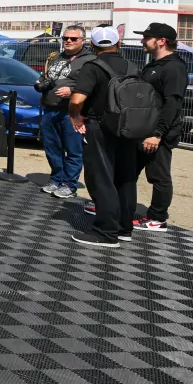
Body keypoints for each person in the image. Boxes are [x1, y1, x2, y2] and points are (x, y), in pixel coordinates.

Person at [67, 26, 138, 247]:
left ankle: (106, 232)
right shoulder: (132, 66)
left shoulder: (92, 67)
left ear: (92, 45)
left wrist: (75, 116)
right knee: (125, 178)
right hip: (129, 127)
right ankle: (124, 228)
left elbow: (77, 99)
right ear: (119, 44)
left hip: (101, 126)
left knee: (101, 178)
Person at [126, 22, 188, 232]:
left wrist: (157, 133)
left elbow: (173, 104)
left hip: (158, 133)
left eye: (147, 37)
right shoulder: (154, 65)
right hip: (142, 130)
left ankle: (157, 218)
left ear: (161, 41)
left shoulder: (174, 68)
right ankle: (119, 207)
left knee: (158, 176)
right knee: (127, 170)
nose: (143, 40)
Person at [35, 26, 93, 199]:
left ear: (83, 41)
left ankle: (69, 184)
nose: (68, 41)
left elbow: (94, 85)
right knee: (52, 148)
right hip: (49, 108)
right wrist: (41, 82)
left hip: (72, 113)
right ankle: (56, 180)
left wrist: (73, 90)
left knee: (73, 150)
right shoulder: (56, 57)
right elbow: (47, 76)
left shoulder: (89, 60)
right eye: (65, 38)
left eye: (73, 39)